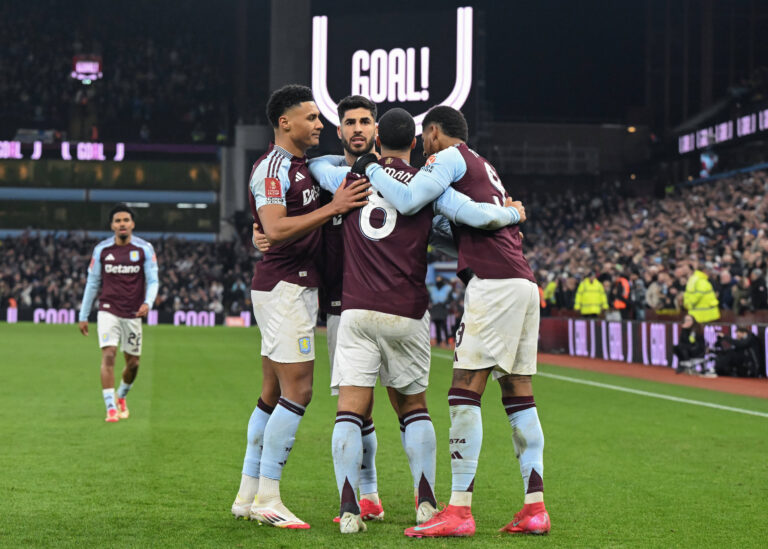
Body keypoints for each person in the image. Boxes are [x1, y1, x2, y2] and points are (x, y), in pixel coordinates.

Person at [311, 107, 524, 534]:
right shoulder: (427, 190)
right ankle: (426, 502)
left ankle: (350, 509)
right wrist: (512, 214)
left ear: (376, 140)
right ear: (414, 143)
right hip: (407, 312)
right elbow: (463, 226)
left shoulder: (349, 179)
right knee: (414, 409)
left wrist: (358, 162)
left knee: (350, 410)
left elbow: (316, 165)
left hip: (356, 309)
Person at [230, 84, 371, 529]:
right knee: (299, 391)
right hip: (285, 288)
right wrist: (334, 207)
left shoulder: (301, 167)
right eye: (311, 117)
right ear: (284, 122)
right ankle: (269, 497)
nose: (319, 124)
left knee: (272, 394)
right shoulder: (272, 168)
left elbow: (272, 226)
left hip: (292, 287)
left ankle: (247, 494)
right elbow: (274, 227)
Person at [78, 204, 159, 423]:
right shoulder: (102, 250)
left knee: (133, 364)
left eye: (125, 220)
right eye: (117, 221)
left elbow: (153, 280)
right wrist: (83, 315)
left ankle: (121, 396)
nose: (122, 224)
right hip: (108, 310)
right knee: (109, 354)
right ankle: (111, 408)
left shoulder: (144, 249)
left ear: (132, 224)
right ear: (112, 225)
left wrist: (148, 302)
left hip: (133, 313)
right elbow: (92, 283)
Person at [429, 276, 453, 346]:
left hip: (443, 308)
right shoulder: (433, 288)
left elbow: (450, 299)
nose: (438, 281)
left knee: (444, 325)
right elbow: (430, 298)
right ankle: (438, 342)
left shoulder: (447, 288)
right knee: (437, 326)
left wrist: (444, 303)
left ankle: (447, 342)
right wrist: (432, 303)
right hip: (435, 308)